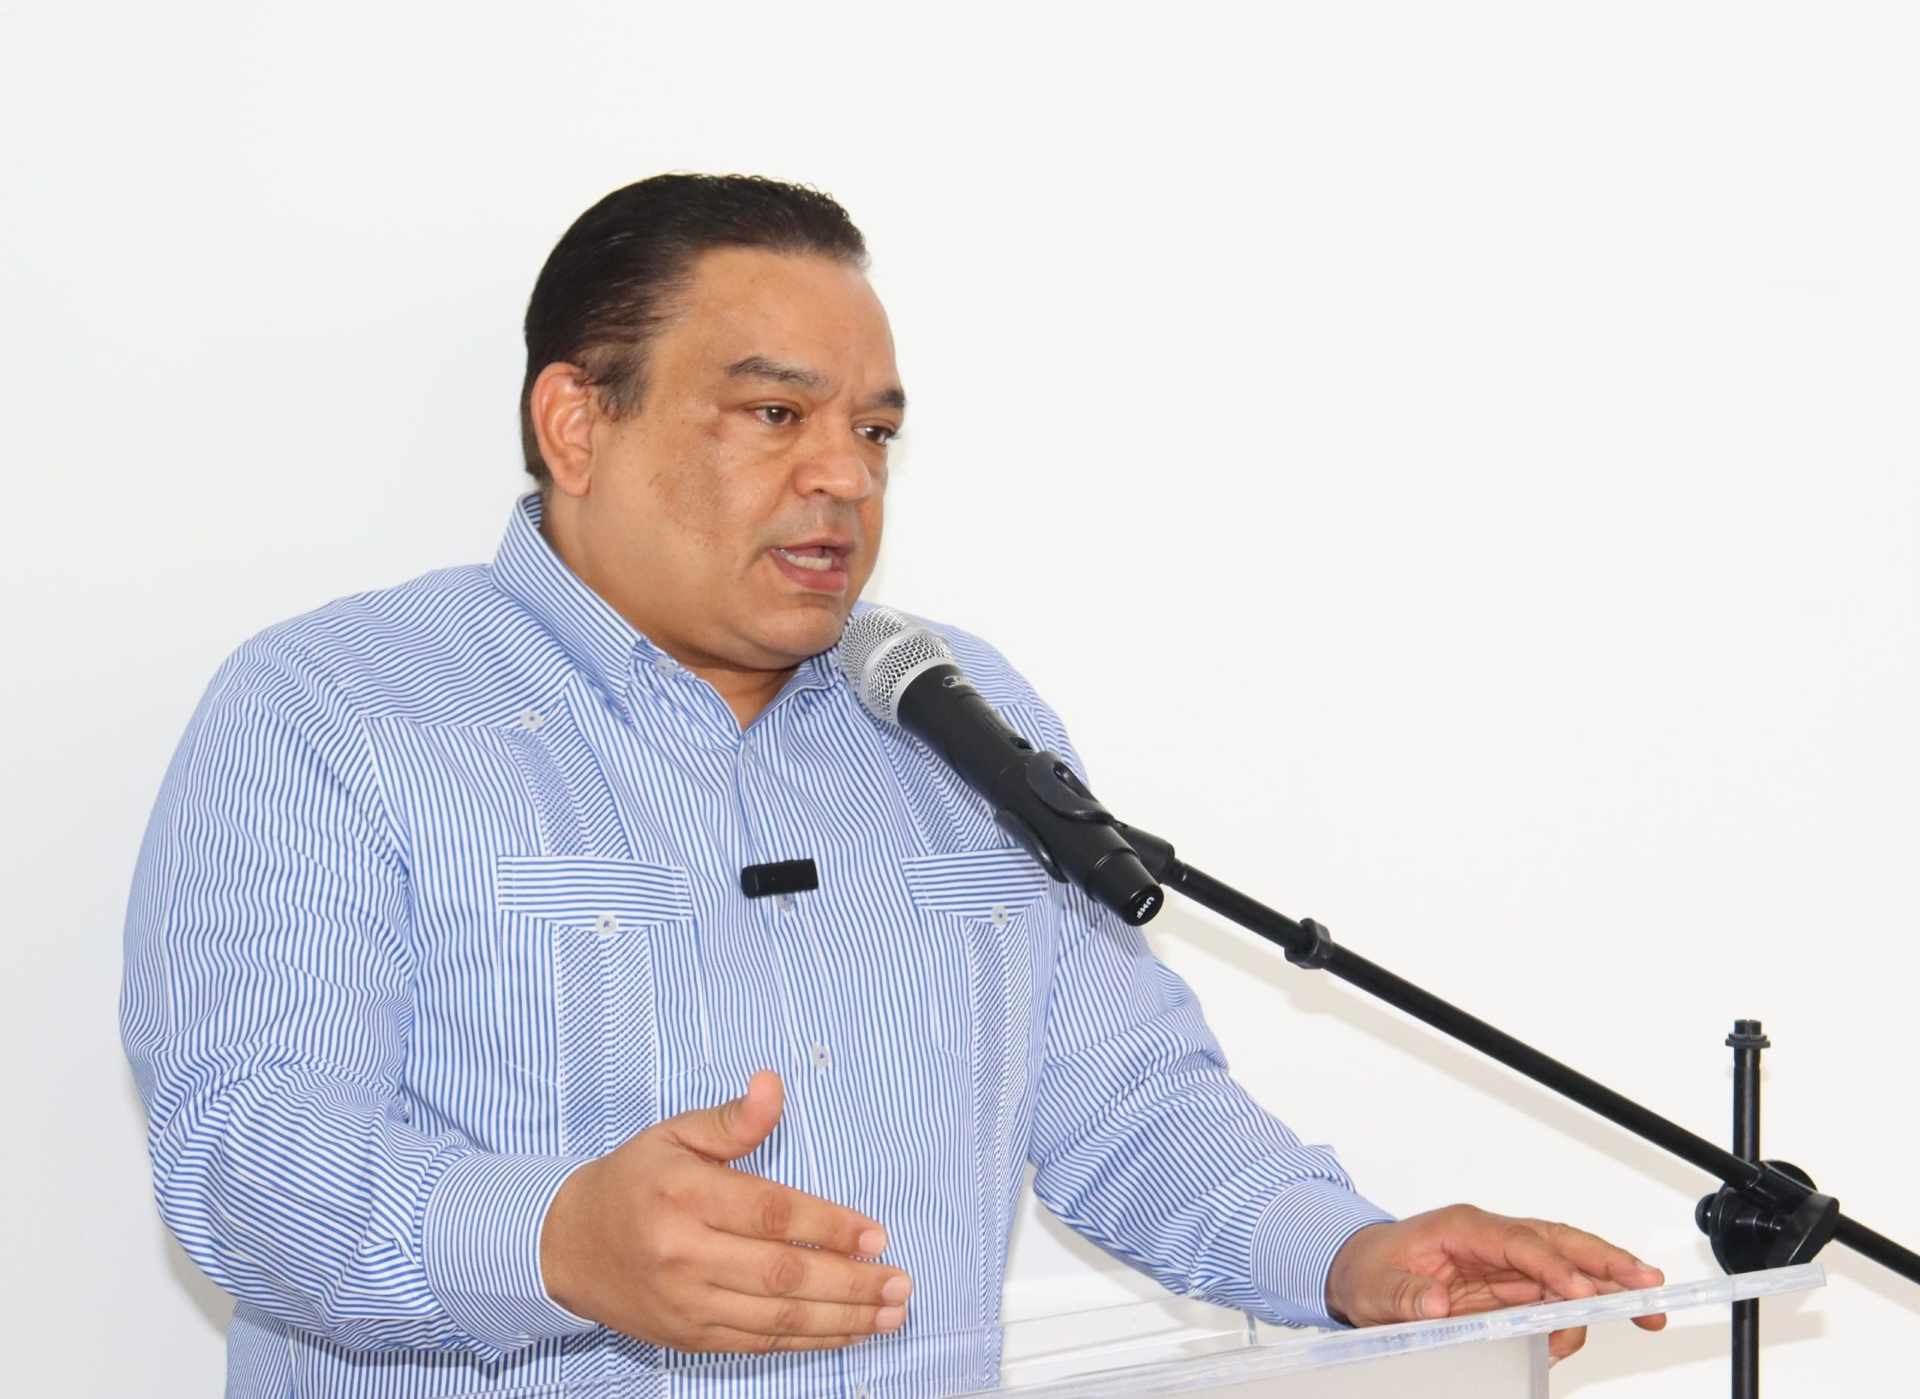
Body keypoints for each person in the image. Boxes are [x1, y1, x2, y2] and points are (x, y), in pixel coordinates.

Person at [123, 174, 1665, 1398]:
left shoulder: (952, 718)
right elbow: (246, 1153)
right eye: (774, 414)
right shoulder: (334, 712)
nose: (846, 477)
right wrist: (555, 1240)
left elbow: (1125, 1099)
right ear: (577, 423)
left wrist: (1355, 1257)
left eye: (873, 430)